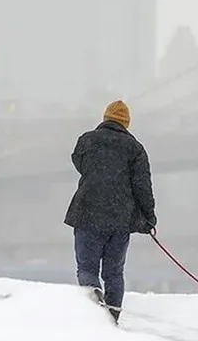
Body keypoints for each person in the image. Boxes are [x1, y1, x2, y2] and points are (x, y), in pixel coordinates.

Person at [64, 99, 157, 324]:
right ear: (126, 123)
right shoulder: (135, 149)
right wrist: (149, 217)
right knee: (114, 273)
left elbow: (79, 163)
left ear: (105, 118)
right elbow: (143, 186)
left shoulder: (86, 141)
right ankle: (112, 317)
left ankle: (93, 305)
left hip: (87, 214)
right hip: (119, 220)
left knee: (87, 268)